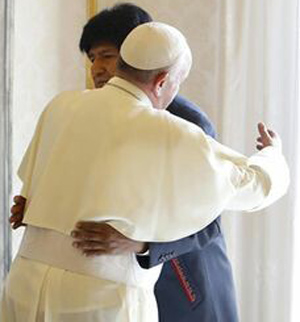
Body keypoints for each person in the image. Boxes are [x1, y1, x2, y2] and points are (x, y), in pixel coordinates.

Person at [7, 4, 288, 322]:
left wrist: (140, 244)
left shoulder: (61, 105)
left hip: (25, 285)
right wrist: (272, 153)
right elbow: (255, 185)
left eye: (105, 55)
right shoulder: (170, 129)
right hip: (101, 298)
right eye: (93, 58)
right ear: (163, 80)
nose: (98, 67)